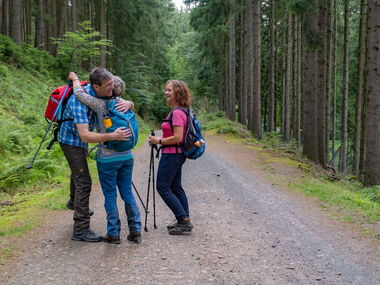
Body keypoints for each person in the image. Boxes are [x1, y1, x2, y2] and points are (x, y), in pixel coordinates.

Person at [59, 67, 132, 242]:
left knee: (79, 172)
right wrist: (111, 136)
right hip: (71, 140)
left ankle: (73, 202)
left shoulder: (106, 92)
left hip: (83, 140)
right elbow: (84, 135)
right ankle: (80, 230)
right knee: (84, 180)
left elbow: (118, 101)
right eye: (108, 86)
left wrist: (130, 103)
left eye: (112, 84)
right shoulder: (78, 102)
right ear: (95, 86)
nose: (112, 89)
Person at [149, 80, 194, 235]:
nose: (166, 92)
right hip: (175, 154)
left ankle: (183, 220)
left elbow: (178, 138)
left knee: (162, 187)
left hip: (172, 154)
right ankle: (184, 219)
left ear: (178, 92)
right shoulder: (181, 110)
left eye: (169, 90)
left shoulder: (177, 113)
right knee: (175, 187)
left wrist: (159, 140)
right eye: (165, 90)